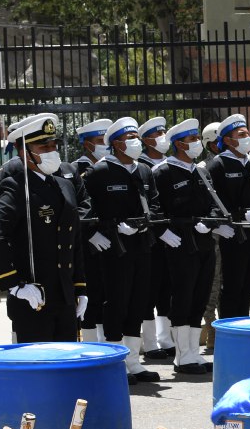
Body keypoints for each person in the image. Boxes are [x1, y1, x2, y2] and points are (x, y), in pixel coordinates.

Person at [0, 113, 87, 345]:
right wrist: (15, 285)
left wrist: (80, 287)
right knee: (39, 367)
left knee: (66, 364)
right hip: (34, 294)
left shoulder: (65, 186)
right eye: (44, 146)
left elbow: (74, 240)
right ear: (25, 152)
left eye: (53, 145)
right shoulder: (15, 187)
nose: (52, 151)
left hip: (65, 293)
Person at [80, 116, 161, 383]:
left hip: (141, 245)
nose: (135, 143)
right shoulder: (99, 173)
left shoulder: (144, 170)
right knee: (116, 302)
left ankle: (133, 361)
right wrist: (102, 231)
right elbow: (85, 209)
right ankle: (115, 360)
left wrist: (143, 225)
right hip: (114, 247)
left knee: (138, 300)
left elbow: (156, 205)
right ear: (116, 144)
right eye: (129, 139)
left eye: (136, 138)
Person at [152, 118, 218, 375]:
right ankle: (182, 356)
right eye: (191, 140)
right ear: (178, 143)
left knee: (200, 297)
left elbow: (213, 202)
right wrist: (164, 232)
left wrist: (211, 222)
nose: (197, 144)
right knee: (183, 297)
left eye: (196, 139)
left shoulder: (201, 171)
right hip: (179, 242)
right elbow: (155, 208)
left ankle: (193, 353)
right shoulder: (164, 172)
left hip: (203, 241)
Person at [207, 113, 250, 319]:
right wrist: (222, 224)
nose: (247, 138)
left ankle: (244, 322)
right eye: (241, 134)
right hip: (233, 234)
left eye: (247, 133)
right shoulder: (218, 165)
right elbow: (214, 199)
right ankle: (230, 328)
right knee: (233, 286)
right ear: (228, 140)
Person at [136, 116, 174, 359]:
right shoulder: (140, 165)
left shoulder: (171, 163)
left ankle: (165, 338)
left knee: (167, 289)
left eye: (164, 132)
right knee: (148, 290)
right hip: (150, 236)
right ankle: (149, 342)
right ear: (147, 140)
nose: (162, 137)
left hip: (171, 235)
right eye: (157, 134)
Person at [72, 118, 112, 342]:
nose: (104, 145)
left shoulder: (112, 168)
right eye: (99, 141)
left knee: (108, 294)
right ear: (87, 145)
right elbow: (78, 209)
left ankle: (106, 342)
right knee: (90, 294)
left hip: (112, 239)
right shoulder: (77, 171)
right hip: (87, 242)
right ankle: (88, 342)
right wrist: (89, 234)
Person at [199, 121, 224, 354]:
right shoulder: (203, 167)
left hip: (234, 234)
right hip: (213, 235)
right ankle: (211, 333)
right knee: (212, 286)